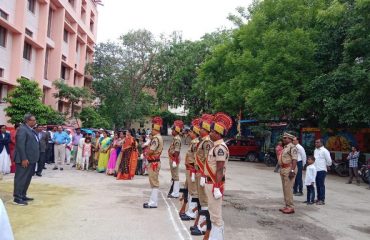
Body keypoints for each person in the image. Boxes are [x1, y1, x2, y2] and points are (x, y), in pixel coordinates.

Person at [204, 112, 233, 240]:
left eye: (211, 131)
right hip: (209, 182)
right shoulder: (215, 146)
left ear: (218, 133)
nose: (209, 133)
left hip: (214, 184)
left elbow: (220, 168)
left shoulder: (220, 147)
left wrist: (216, 186)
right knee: (212, 213)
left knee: (216, 216)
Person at [191, 114, 214, 237]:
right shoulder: (203, 141)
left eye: (201, 128)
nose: (198, 130)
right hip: (199, 172)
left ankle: (203, 227)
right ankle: (200, 224)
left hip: (203, 173)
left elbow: (207, 160)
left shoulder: (207, 142)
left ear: (205, 130)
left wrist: (205, 175)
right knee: (202, 200)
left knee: (204, 200)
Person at [13, 114, 40, 205]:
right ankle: (17, 198)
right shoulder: (22, 129)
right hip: (24, 159)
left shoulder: (31, 130)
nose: (35, 121)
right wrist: (24, 158)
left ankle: (23, 195)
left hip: (31, 159)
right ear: (27, 121)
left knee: (27, 179)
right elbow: (20, 145)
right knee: (21, 178)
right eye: (33, 120)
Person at [180, 119, 201, 221]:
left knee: (194, 191)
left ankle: (192, 213)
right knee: (190, 190)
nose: (189, 133)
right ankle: (190, 211)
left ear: (195, 133)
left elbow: (196, 158)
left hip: (193, 169)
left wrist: (193, 168)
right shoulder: (193, 142)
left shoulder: (196, 143)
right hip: (190, 169)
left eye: (191, 132)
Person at [143, 117, 164, 209]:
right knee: (153, 182)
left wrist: (146, 150)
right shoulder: (157, 138)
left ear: (156, 129)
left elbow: (151, 151)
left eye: (152, 129)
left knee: (154, 182)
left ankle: (153, 202)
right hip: (153, 162)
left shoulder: (156, 139)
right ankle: (152, 201)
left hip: (154, 162)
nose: (151, 130)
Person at [278, 132, 298, 214]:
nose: (284, 139)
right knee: (285, 188)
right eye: (284, 137)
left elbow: (294, 160)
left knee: (288, 189)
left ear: (290, 139)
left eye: (285, 138)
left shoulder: (293, 147)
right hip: (283, 168)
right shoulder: (285, 147)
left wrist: (292, 170)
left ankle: (290, 207)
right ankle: (287, 205)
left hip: (289, 168)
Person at [167, 120, 184, 198]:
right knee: (174, 176)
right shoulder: (175, 138)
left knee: (175, 176)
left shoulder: (177, 139)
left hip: (174, 159)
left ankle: (176, 193)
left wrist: (174, 160)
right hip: (173, 158)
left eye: (173, 130)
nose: (171, 131)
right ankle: (174, 191)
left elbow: (177, 151)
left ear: (176, 131)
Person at [314, 139, 332, 205]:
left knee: (321, 185)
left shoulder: (325, 151)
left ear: (321, 143)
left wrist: (327, 165)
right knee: (317, 185)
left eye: (317, 142)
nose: (316, 143)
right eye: (315, 142)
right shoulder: (315, 150)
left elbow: (329, 161)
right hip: (315, 170)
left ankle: (322, 199)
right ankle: (318, 198)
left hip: (322, 170)